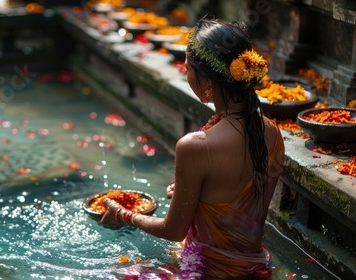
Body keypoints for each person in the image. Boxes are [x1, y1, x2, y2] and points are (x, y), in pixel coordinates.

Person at [99, 16, 285, 279]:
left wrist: (124, 215)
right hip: (254, 267)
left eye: (187, 68)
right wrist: (193, 196)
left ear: (208, 82)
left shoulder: (195, 146)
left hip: (208, 271)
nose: (185, 74)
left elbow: (172, 231)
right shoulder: (272, 132)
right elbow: (241, 206)